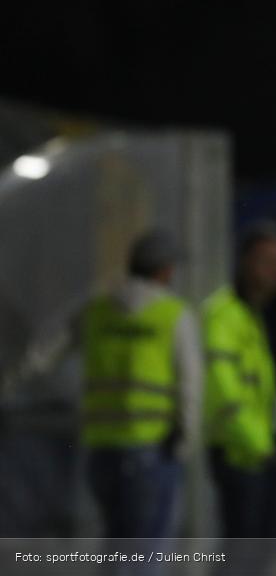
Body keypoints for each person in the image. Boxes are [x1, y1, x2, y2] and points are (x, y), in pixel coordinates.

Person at [81, 229, 203, 539]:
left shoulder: (97, 310)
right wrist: (185, 442)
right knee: (147, 549)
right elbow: (190, 385)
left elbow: (43, 353)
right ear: (164, 270)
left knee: (114, 544)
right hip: (153, 449)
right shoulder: (173, 314)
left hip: (101, 448)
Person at [203, 221, 276, 539]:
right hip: (239, 452)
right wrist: (259, 444)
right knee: (242, 547)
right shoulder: (225, 314)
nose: (273, 272)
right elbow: (224, 391)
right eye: (265, 262)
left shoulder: (251, 315)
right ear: (245, 262)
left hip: (253, 451)